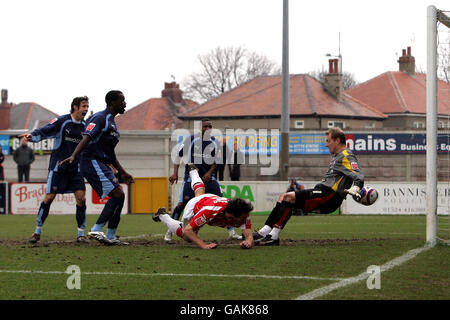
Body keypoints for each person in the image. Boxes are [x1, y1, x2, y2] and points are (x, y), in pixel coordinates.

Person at [253, 127, 364, 246]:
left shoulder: (346, 155)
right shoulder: (337, 156)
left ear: (337, 141)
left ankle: (273, 236)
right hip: (323, 192)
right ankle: (264, 232)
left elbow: (358, 175)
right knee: (283, 198)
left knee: (288, 197)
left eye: (328, 141)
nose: (326, 145)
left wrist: (356, 187)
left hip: (329, 195)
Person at [59, 90, 134, 246]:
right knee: (117, 195)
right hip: (91, 161)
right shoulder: (100, 118)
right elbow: (87, 137)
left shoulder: (112, 122)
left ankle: (111, 235)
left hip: (101, 163)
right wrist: (74, 155)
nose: (125, 103)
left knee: (120, 197)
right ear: (112, 102)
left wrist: (123, 172)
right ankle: (96, 228)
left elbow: (110, 153)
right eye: (122, 100)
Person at [22, 96, 90, 243]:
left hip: (76, 169)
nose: (86, 109)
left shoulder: (85, 126)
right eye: (84, 106)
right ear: (75, 107)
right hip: (58, 168)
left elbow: (91, 145)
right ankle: (37, 232)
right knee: (49, 198)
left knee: (82, 199)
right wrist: (32, 136)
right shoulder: (62, 121)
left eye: (87, 106)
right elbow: (45, 130)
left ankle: (81, 234)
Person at [167, 118, 240, 241]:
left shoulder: (215, 142)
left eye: (209, 127)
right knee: (181, 204)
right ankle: (170, 231)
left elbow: (216, 161)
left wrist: (209, 173)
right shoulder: (190, 139)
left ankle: (232, 232)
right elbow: (178, 156)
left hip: (208, 179)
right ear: (200, 128)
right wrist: (175, 174)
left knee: (223, 203)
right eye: (205, 126)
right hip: (191, 177)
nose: (207, 129)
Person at [154, 164, 254, 249]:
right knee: (187, 237)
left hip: (209, 199)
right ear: (229, 213)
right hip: (194, 207)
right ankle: (162, 216)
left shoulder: (243, 212)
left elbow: (248, 234)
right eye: (232, 218)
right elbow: (189, 231)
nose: (239, 221)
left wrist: (248, 241)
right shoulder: (209, 211)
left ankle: (193, 172)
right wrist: (204, 245)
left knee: (199, 192)